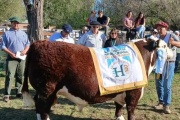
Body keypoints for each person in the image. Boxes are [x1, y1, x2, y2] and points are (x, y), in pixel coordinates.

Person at [1, 16, 30, 102]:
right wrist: (11, 53)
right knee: (10, 75)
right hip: (11, 58)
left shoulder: (23, 34)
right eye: (14, 23)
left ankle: (19, 92)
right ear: (12, 23)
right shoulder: (7, 34)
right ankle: (7, 94)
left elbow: (27, 44)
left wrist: (25, 51)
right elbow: (2, 46)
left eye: (17, 23)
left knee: (20, 75)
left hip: (21, 58)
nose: (16, 24)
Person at [154, 21, 179, 114]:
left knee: (167, 85)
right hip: (159, 65)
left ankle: (166, 105)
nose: (159, 30)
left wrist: (173, 42)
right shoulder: (157, 37)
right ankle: (161, 102)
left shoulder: (171, 35)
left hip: (169, 64)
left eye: (161, 28)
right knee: (158, 83)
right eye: (158, 29)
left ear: (166, 28)